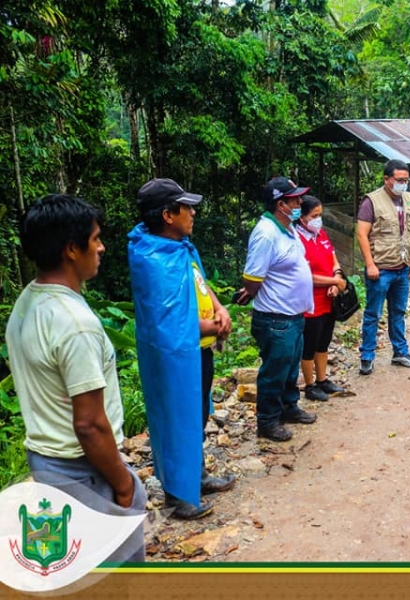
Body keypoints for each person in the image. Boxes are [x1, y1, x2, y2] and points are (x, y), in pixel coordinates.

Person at [7, 195, 146, 562]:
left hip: (47, 461)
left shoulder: (28, 301)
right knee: (115, 572)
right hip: (83, 468)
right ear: (72, 249)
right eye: (96, 238)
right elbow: (88, 424)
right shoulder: (74, 324)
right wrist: (122, 484)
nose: (101, 247)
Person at [128, 178, 235, 520]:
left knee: (197, 415)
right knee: (176, 418)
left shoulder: (181, 248)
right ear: (167, 215)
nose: (192, 212)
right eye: (186, 207)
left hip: (196, 351)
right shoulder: (152, 258)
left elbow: (198, 283)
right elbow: (164, 322)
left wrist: (220, 309)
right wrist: (212, 325)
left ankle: (196, 477)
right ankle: (177, 497)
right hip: (172, 357)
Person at [236, 177, 317, 442]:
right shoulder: (266, 233)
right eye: (294, 200)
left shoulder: (288, 228)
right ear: (280, 204)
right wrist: (254, 291)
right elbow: (252, 278)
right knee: (275, 370)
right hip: (275, 317)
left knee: (290, 366)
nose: (299, 203)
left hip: (292, 315)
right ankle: (268, 421)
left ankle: (288, 407)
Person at [356, 159, 410, 375]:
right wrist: (370, 264)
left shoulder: (409, 199)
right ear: (387, 179)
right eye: (399, 180)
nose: (403, 184)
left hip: (402, 267)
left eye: (406, 180)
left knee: (398, 312)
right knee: (373, 313)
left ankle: (400, 352)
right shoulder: (371, 201)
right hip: (380, 269)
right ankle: (367, 356)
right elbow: (362, 234)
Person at [295, 195, 347, 401]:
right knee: (309, 344)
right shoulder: (297, 240)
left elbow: (335, 261)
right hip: (310, 302)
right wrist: (333, 283)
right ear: (302, 218)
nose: (318, 219)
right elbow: (306, 275)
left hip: (328, 299)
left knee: (323, 342)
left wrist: (337, 277)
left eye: (320, 215)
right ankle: (309, 384)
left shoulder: (321, 234)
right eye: (314, 216)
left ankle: (322, 379)